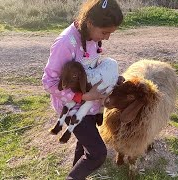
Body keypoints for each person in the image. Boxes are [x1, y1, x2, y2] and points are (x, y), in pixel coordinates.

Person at [42, 0, 123, 179]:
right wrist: (84, 95)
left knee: (84, 146)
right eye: (104, 32)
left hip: (90, 104)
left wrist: (111, 80)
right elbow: (49, 82)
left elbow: (90, 69)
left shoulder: (91, 37)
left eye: (110, 33)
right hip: (73, 107)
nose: (107, 37)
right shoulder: (65, 43)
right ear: (90, 23)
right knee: (97, 154)